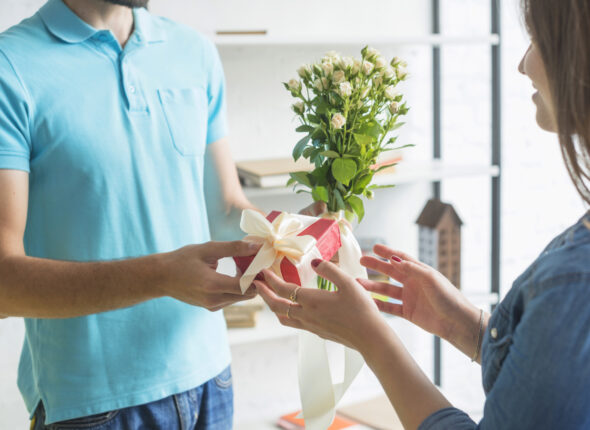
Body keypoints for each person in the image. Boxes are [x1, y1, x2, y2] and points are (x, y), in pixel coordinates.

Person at [257, 0, 590, 428]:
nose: (522, 64)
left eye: (538, 41)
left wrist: (372, 339)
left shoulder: (574, 282)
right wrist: (465, 328)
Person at [0, 0, 319, 428]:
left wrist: (290, 233)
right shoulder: (11, 66)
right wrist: (162, 277)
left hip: (211, 380)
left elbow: (226, 207)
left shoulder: (194, 52)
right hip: (93, 404)